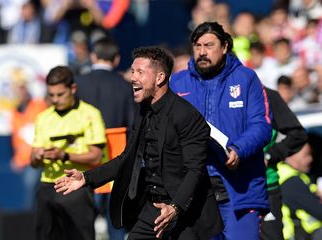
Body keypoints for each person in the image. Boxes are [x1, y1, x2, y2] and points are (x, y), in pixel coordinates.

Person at [55, 46, 223, 239]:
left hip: (188, 213)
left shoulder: (186, 116)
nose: (133, 77)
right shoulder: (142, 110)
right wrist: (86, 178)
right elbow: (126, 158)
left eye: (140, 72)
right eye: (133, 71)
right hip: (153, 209)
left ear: (160, 78)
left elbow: (195, 171)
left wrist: (175, 208)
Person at [170, 22, 272, 239]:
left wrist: (238, 149)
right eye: (197, 46)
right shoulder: (177, 83)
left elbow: (262, 125)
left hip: (239, 188)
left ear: (225, 46)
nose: (202, 52)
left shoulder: (246, 78)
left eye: (209, 45)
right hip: (194, 191)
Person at [31, 66, 107, 240]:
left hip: (77, 186)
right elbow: (32, 161)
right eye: (51, 95)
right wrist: (37, 156)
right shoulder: (43, 117)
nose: (55, 100)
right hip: (47, 186)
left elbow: (96, 157)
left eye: (60, 94)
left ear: (73, 89)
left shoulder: (90, 114)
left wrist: (64, 155)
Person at [75, 37, 135, 240]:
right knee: (115, 221)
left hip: (83, 159)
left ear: (93, 56)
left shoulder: (78, 84)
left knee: (83, 220)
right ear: (116, 59)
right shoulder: (125, 86)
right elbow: (133, 124)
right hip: (116, 161)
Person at [260, 87, 308, 240]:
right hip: (229, 188)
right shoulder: (211, 92)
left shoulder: (266, 95)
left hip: (266, 187)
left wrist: (269, 155)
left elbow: (298, 135)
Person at [10, 77, 47, 210]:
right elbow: (14, 136)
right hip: (23, 160)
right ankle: (31, 220)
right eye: (18, 89)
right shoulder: (14, 112)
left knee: (32, 191)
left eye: (23, 88)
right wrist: (14, 157)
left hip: (37, 156)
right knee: (30, 191)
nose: (21, 92)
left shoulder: (38, 105)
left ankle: (31, 220)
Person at [278, 144, 322, 239]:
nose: (310, 159)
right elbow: (318, 211)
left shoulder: (292, 173)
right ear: (291, 156)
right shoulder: (290, 181)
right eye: (306, 155)